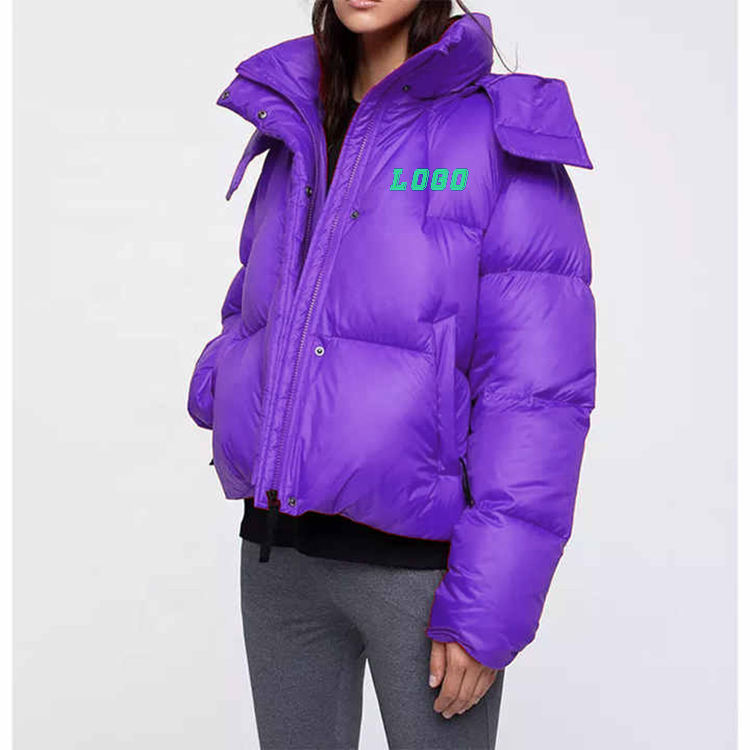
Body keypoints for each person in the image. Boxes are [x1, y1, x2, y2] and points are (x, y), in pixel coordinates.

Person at [187, 1, 596, 747]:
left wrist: (489, 603)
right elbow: (258, 296)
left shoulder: (497, 136)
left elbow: (537, 398)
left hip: (422, 578)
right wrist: (227, 381)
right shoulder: (295, 114)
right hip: (279, 556)